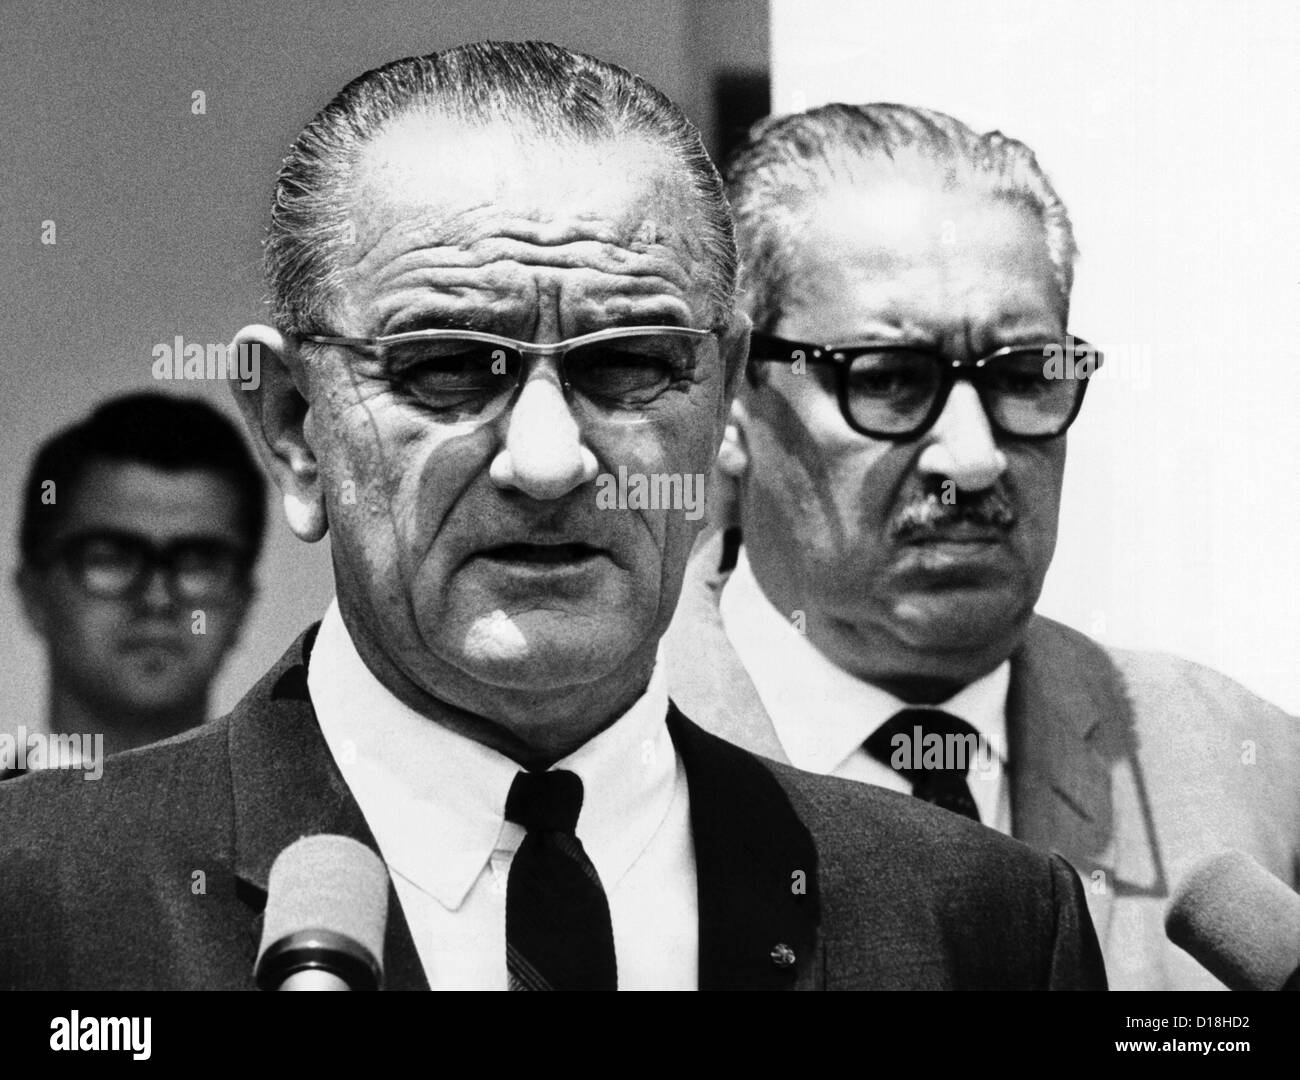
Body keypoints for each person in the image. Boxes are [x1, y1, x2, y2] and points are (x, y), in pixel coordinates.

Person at [0, 44, 1104, 991]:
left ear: (721, 400)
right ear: (294, 426)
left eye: (626, 365)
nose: (546, 461)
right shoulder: (43, 902)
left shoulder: (976, 921)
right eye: (446, 369)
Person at [663, 102, 1300, 990]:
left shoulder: (1252, 772)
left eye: (1024, 376)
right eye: (885, 380)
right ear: (731, 395)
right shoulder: (591, 752)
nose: (972, 455)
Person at [3, 393, 263, 780]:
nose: (156, 599)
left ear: (242, 604)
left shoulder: (318, 827)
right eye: (110, 558)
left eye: (198, 563)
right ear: (34, 594)